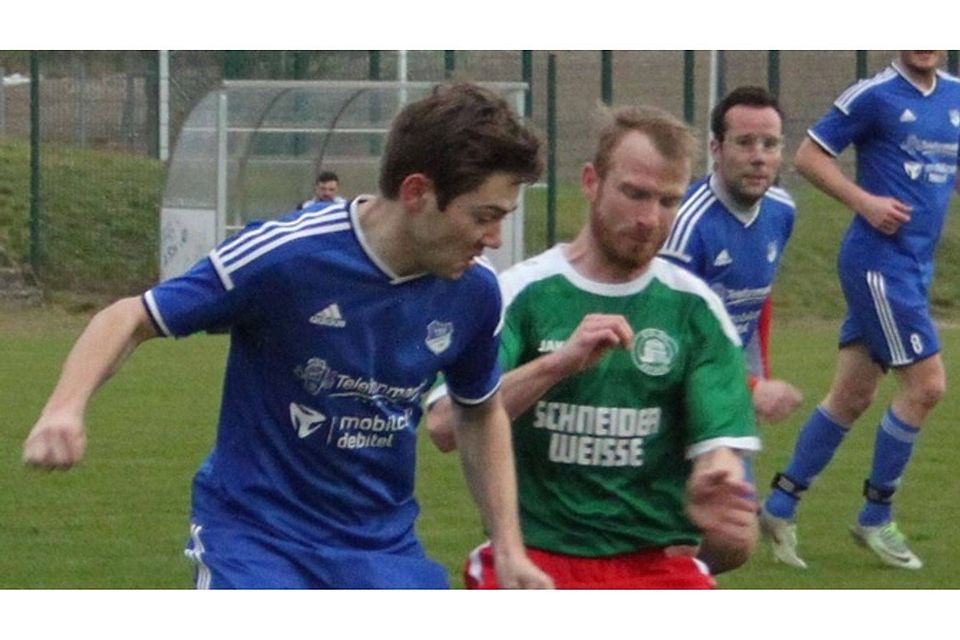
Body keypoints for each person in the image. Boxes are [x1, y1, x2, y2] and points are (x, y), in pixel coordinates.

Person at [21, 83, 554, 590]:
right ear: (417, 191)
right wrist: (64, 408)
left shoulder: (475, 293)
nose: (495, 238)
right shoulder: (287, 256)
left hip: (379, 550)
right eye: (484, 216)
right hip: (258, 539)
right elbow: (131, 316)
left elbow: (479, 408)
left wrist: (507, 545)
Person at [426, 104, 761, 589]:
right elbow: (444, 424)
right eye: (634, 194)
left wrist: (719, 480)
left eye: (668, 201)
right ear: (591, 182)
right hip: (535, 556)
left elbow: (719, 447)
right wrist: (557, 365)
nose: (650, 218)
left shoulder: (695, 311)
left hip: (654, 565)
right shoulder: (520, 294)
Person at [760, 51, 960, 570]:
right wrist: (864, 201)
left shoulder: (956, 97)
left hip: (914, 267)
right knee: (927, 385)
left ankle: (779, 506)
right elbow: (808, 156)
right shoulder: (872, 95)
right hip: (878, 262)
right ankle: (876, 516)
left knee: (851, 395)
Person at [660, 86, 803, 427]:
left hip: (728, 392)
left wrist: (757, 377)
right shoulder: (687, 227)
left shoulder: (781, 211)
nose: (759, 156)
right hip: (674, 404)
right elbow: (667, 339)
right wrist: (753, 387)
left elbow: (757, 299)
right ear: (716, 148)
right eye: (744, 142)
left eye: (770, 144)